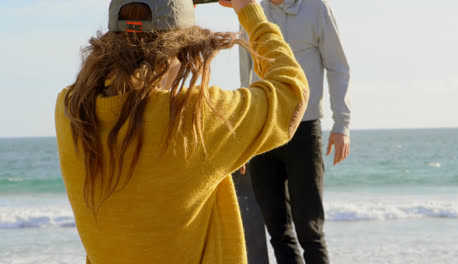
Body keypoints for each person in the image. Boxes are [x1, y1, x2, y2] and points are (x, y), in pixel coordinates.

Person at [55, 0, 310, 263]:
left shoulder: (70, 110)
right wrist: (248, 11)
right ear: (178, 48)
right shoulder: (194, 118)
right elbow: (293, 92)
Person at [238, 0, 351, 263]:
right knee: (278, 232)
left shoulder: (316, 9)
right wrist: (244, 134)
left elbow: (338, 67)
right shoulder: (251, 8)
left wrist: (342, 125)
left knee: (309, 230)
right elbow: (246, 76)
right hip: (262, 129)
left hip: (304, 129)